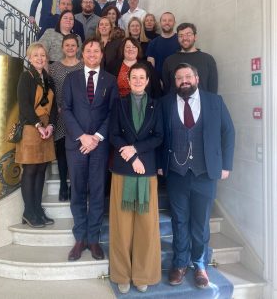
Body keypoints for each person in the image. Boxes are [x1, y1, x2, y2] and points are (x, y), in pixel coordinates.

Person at [160, 63, 235, 289]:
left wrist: (226, 165)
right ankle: (180, 263)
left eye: (188, 76)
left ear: (197, 78)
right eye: (179, 77)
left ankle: (200, 264)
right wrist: (159, 164)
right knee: (179, 220)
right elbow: (159, 134)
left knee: (200, 222)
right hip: (176, 173)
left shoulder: (215, 101)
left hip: (206, 172)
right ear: (174, 82)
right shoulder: (165, 103)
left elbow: (228, 132)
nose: (184, 80)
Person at [62, 37, 118, 261]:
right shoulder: (71, 78)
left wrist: (95, 137)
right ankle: (80, 239)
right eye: (89, 51)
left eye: (96, 51)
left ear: (101, 55)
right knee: (77, 192)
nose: (92, 54)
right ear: (82, 54)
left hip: (100, 145)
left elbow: (112, 113)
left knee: (96, 192)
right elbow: (65, 109)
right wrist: (82, 136)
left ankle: (93, 239)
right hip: (76, 145)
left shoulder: (111, 80)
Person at [109, 63, 163, 294]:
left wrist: (136, 151)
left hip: (147, 170)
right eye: (135, 77)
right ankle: (122, 274)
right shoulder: (119, 104)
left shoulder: (156, 105)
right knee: (121, 227)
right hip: (123, 170)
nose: (138, 81)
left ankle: (143, 274)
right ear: (128, 80)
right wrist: (131, 157)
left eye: (142, 77)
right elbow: (113, 134)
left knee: (146, 226)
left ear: (148, 81)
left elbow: (159, 136)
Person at [15, 42, 57, 228]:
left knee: (41, 170)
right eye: (36, 55)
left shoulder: (49, 78)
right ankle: (28, 211)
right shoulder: (26, 76)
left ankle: (38, 209)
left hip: (46, 129)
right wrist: (39, 125)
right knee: (30, 170)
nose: (40, 58)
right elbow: (23, 105)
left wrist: (52, 126)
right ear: (29, 58)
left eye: (42, 55)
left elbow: (55, 106)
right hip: (31, 128)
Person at [49, 34, 84, 201]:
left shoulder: (84, 65)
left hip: (80, 116)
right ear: (62, 48)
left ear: (77, 48)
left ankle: (74, 184)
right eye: (67, 45)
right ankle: (63, 184)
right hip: (61, 114)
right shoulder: (54, 67)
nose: (70, 48)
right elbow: (51, 90)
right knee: (62, 150)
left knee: (76, 151)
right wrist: (56, 107)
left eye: (73, 45)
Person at [162, 23, 218, 94]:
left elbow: (213, 89)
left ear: (195, 37)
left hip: (203, 104)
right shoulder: (169, 61)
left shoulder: (208, 59)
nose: (185, 38)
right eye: (181, 35)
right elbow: (167, 90)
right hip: (176, 104)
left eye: (188, 34)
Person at [146, 12, 180, 79]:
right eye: (164, 20)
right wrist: (156, 82)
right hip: (159, 83)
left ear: (174, 23)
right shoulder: (153, 43)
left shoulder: (180, 40)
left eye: (170, 20)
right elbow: (150, 67)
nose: (167, 23)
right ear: (160, 23)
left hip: (178, 81)